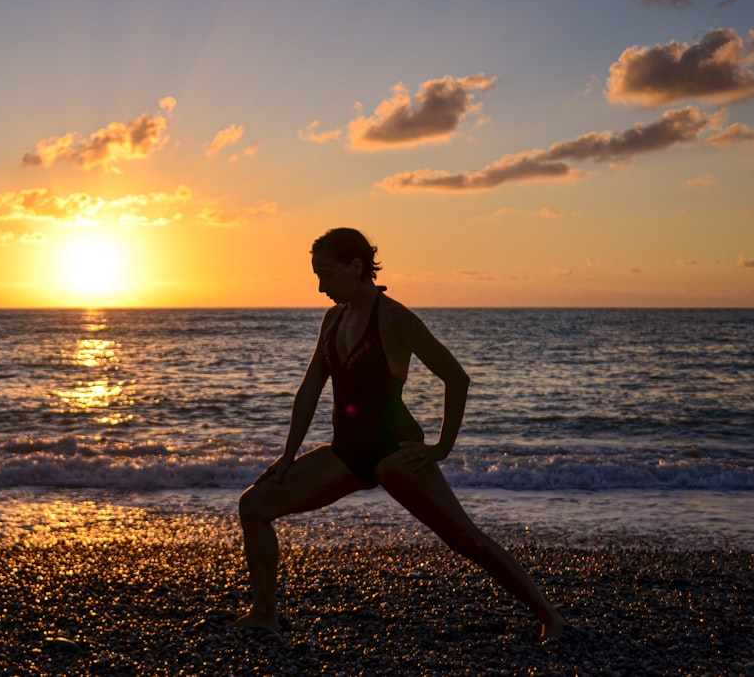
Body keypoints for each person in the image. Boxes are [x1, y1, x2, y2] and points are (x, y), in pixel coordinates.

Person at [233, 228, 565, 639]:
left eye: (327, 275)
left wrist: (441, 447)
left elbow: (455, 379)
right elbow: (310, 388)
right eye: (316, 277)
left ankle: (550, 617)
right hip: (346, 454)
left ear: (356, 267)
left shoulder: (394, 319)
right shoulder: (333, 319)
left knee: (464, 537)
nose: (320, 287)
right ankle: (265, 614)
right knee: (254, 506)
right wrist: (288, 455)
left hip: (395, 454)